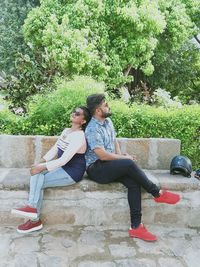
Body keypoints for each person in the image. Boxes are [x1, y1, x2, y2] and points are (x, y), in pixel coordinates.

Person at [85, 94, 180, 242]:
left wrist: (121, 155)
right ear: (98, 110)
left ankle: (136, 227)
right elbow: (102, 155)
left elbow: (113, 141)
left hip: (108, 165)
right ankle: (157, 193)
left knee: (133, 182)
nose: (108, 106)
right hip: (96, 169)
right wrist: (124, 159)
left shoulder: (108, 121)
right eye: (105, 104)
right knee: (129, 163)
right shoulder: (92, 128)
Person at [11, 106, 91, 233]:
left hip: (72, 172)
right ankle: (33, 216)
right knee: (37, 175)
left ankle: (33, 217)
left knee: (38, 179)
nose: (74, 114)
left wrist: (40, 167)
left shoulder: (79, 136)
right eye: (74, 112)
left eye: (78, 113)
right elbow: (55, 148)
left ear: (83, 121)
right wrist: (41, 162)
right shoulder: (66, 131)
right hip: (61, 167)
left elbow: (63, 160)